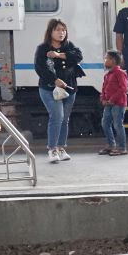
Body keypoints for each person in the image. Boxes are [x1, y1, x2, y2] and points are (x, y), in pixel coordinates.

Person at [34, 18, 85, 164]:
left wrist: (58, 55)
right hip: (49, 88)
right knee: (57, 115)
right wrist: (54, 80)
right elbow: (40, 68)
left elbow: (78, 57)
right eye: (57, 30)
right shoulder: (42, 48)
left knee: (65, 118)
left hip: (70, 89)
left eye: (63, 30)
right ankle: (52, 149)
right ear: (50, 32)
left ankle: (61, 148)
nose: (61, 33)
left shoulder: (69, 45)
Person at [99, 50, 128, 156]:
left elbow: (123, 89)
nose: (105, 61)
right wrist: (103, 98)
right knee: (105, 123)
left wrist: (112, 99)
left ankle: (122, 147)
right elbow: (104, 88)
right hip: (108, 104)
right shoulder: (107, 75)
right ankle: (111, 145)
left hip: (118, 103)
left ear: (113, 60)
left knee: (117, 124)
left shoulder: (120, 73)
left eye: (106, 58)